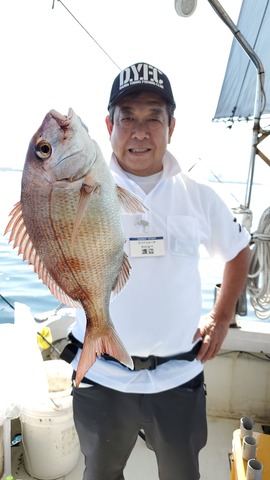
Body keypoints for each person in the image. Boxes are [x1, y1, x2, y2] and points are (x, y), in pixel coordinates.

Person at [69, 62, 251, 480]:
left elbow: (239, 250)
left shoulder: (200, 198)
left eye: (154, 118)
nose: (139, 131)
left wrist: (221, 320)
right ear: (107, 125)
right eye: (127, 117)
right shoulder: (81, 193)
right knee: (100, 473)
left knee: (181, 474)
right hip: (101, 376)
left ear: (172, 126)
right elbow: (48, 242)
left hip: (179, 378)